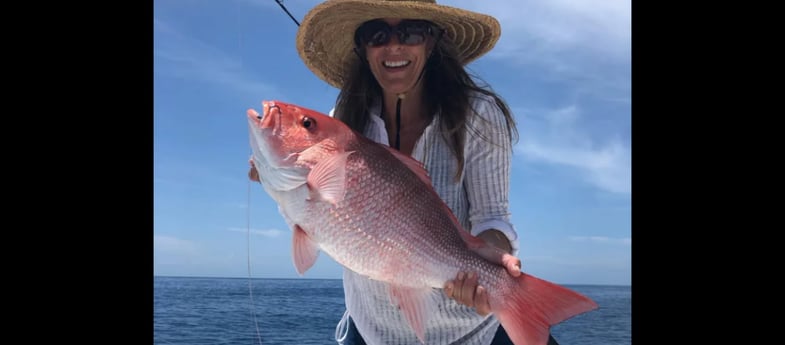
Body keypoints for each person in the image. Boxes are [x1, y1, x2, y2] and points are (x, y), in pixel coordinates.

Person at [250, 1, 559, 344]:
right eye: (376, 33)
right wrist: (276, 183)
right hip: (369, 329)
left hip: (471, 333)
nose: (394, 45)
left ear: (432, 41)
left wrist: (488, 258)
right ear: (362, 48)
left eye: (411, 31)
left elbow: (493, 217)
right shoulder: (344, 116)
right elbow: (316, 218)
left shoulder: (479, 115)